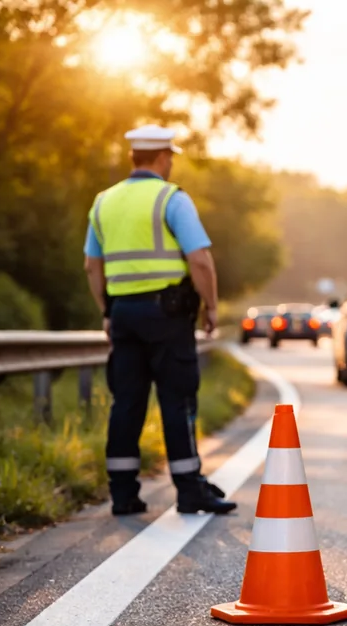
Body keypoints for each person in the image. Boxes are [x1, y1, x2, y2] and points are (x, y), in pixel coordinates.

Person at [83, 125, 236, 516]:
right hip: (167, 316)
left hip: (123, 315)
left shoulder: (103, 201)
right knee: (177, 399)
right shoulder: (171, 198)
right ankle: (189, 490)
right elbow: (200, 259)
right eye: (171, 157)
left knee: (127, 402)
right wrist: (211, 307)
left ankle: (122, 495)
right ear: (163, 157)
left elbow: (91, 266)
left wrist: (106, 310)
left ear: (134, 156)